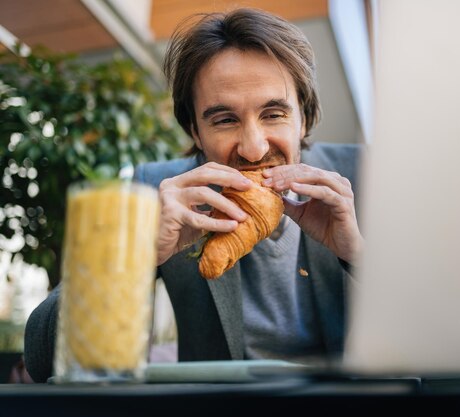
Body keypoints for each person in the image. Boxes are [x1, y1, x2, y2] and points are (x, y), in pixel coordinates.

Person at [23, 7, 364, 383]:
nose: (252, 148)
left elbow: (437, 331)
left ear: (305, 118)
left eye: (273, 114)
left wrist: (359, 258)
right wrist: (138, 255)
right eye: (224, 120)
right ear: (195, 133)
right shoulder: (160, 193)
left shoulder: (363, 180)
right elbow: (41, 358)